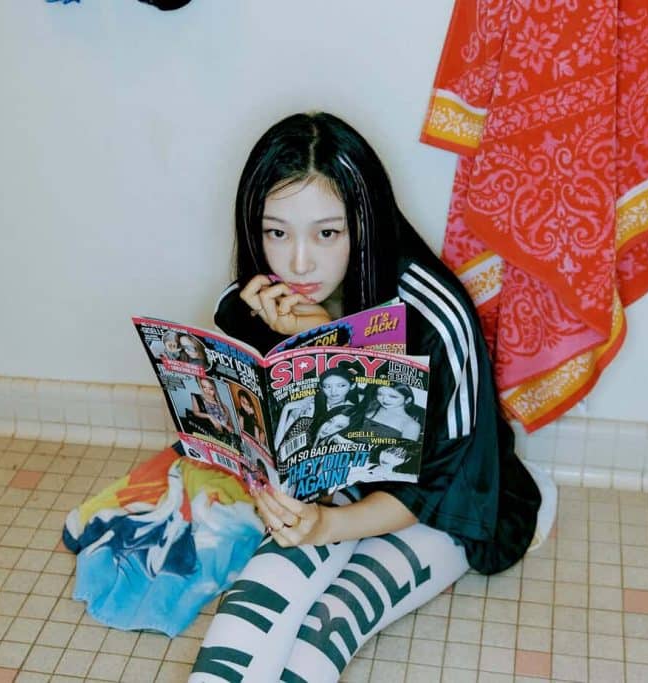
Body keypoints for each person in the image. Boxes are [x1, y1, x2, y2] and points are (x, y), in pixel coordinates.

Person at [189, 112, 549, 682]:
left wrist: (327, 527)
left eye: (327, 233)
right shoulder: (257, 302)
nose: (298, 263)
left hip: (441, 501)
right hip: (338, 483)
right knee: (251, 611)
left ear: (365, 223)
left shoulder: (433, 317)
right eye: (276, 232)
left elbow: (450, 482)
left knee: (329, 623)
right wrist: (307, 342)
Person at [272, 365, 360, 456]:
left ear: (352, 386)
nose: (333, 392)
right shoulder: (309, 404)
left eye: (341, 386)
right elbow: (277, 447)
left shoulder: (353, 412)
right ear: (321, 387)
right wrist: (286, 408)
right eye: (327, 386)